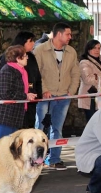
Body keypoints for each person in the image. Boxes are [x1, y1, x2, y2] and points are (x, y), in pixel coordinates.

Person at [34, 22, 81, 170]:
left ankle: (54, 159)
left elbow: (75, 73)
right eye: (68, 34)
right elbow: (36, 74)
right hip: (45, 97)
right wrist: (44, 90)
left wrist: (71, 91)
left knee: (58, 128)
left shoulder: (71, 52)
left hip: (63, 97)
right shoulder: (40, 50)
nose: (70, 37)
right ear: (58, 34)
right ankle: (36, 159)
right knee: (39, 129)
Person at [0, 45, 37, 139]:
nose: (27, 57)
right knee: (2, 146)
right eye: (25, 55)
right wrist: (25, 96)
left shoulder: (21, 71)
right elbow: (5, 93)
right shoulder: (7, 71)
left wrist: (28, 94)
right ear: (18, 58)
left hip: (14, 116)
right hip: (5, 116)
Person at [0, 31, 42, 129]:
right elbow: (6, 90)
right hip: (12, 109)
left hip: (29, 104)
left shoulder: (31, 57)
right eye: (30, 41)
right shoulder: (7, 66)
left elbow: (37, 77)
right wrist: (25, 95)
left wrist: (37, 94)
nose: (33, 43)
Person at [77, 39, 101, 122]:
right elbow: (88, 79)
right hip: (90, 97)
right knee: (93, 122)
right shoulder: (84, 62)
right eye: (94, 48)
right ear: (88, 49)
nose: (97, 50)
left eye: (99, 48)